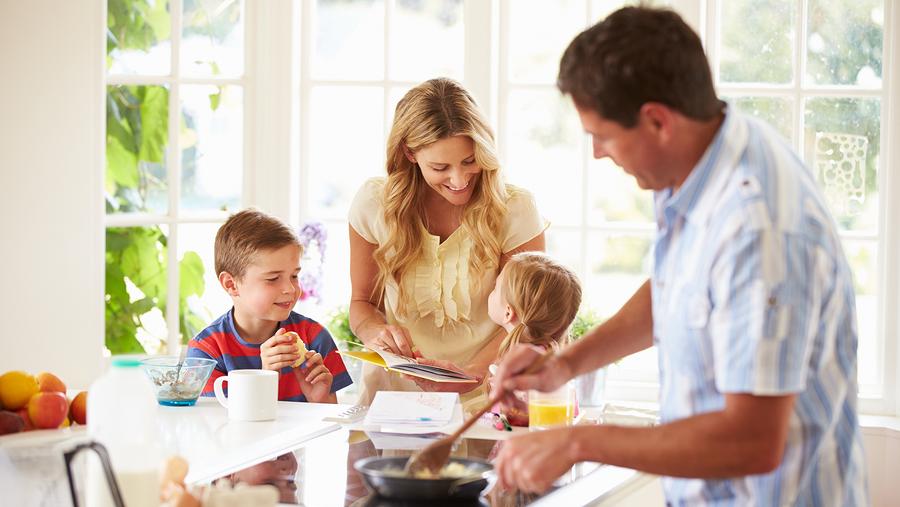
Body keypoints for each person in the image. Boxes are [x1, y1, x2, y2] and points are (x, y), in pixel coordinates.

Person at [492, 6, 868, 504]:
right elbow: (679, 289)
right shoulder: (705, 158)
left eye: (602, 136)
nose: (598, 154)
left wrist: (577, 441)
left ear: (657, 121)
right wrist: (565, 366)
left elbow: (751, 442)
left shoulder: (759, 227)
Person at [348, 77, 546, 406]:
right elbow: (361, 304)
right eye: (440, 167)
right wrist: (375, 332)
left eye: (470, 161)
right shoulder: (375, 204)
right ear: (409, 153)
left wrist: (469, 376)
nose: (459, 179)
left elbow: (528, 320)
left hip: (489, 397)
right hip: (392, 398)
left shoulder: (515, 209)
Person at [188, 209, 352, 403]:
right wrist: (264, 380)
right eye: (273, 279)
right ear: (231, 284)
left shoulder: (315, 338)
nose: (290, 289)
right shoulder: (206, 352)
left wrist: (319, 400)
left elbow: (331, 426)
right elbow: (218, 427)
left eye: (294, 276)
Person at [486, 252, 582, 426]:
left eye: (495, 288)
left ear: (508, 312)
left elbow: (509, 424)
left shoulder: (524, 370)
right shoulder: (554, 365)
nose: (491, 293)